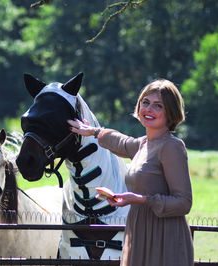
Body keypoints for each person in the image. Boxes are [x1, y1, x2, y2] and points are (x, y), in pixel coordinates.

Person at [67, 79, 194, 266]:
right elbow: (122, 142)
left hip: (164, 238)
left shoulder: (172, 147)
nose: (148, 109)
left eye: (158, 105)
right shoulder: (143, 144)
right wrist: (93, 131)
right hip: (139, 232)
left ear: (171, 112)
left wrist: (140, 199)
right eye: (145, 102)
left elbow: (184, 202)